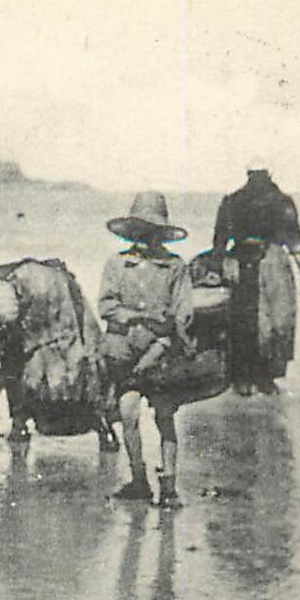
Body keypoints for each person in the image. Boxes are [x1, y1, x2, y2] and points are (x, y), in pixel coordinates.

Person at [98, 192, 195, 508]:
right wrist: (140, 316)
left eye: (153, 230)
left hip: (161, 353)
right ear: (133, 231)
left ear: (162, 233)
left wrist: (165, 339)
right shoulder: (117, 264)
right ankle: (139, 480)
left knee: (165, 416)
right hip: (125, 354)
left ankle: (168, 485)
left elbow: (183, 313)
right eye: (142, 229)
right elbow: (106, 305)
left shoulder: (175, 267)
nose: (148, 237)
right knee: (127, 415)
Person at [210, 160, 300, 396]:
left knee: (269, 320)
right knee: (256, 321)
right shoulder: (238, 202)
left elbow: (293, 241)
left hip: (263, 260)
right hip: (251, 262)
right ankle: (251, 377)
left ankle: (258, 376)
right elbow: (295, 243)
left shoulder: (267, 202)